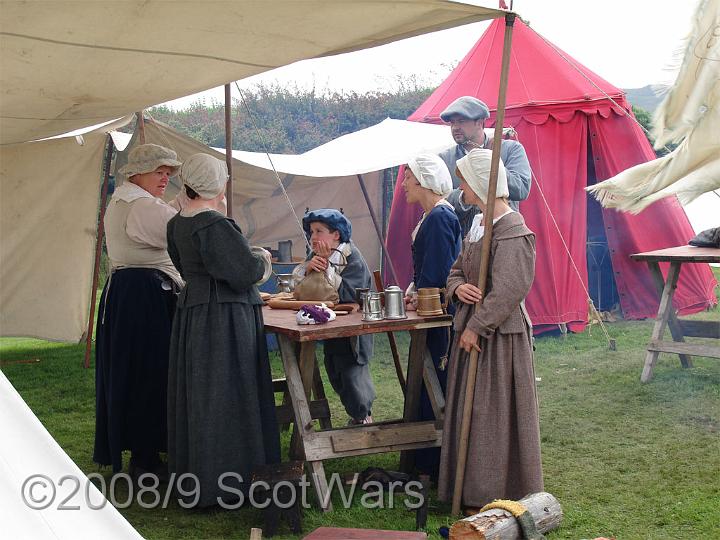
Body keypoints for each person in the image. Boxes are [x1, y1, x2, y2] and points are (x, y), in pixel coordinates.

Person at [166, 153, 279, 508]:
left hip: (194, 313)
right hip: (224, 317)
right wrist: (262, 259)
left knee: (202, 394)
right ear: (216, 183)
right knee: (229, 393)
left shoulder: (178, 223)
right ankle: (227, 484)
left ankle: (200, 479)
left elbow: (185, 265)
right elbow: (243, 272)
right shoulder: (214, 224)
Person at [438, 148, 543, 510]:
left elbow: (511, 288)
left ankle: (493, 492)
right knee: (472, 410)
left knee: (491, 415)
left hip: (498, 338)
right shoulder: (477, 224)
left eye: (465, 182)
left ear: (482, 184)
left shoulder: (514, 230)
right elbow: (455, 271)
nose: (461, 190)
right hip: (474, 330)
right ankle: (467, 491)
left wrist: (477, 326)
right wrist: (457, 288)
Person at [94, 143, 184, 477]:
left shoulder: (124, 200)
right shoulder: (142, 206)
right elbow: (183, 235)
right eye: (158, 171)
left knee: (136, 373)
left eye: (167, 173)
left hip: (131, 293)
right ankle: (146, 456)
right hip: (145, 297)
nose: (164, 178)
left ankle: (144, 452)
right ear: (137, 173)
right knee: (151, 374)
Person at [401, 153, 462, 478]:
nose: (404, 184)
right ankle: (423, 459)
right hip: (430, 305)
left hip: (440, 312)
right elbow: (429, 269)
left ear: (423, 178)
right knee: (426, 380)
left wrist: (417, 296)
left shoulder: (439, 217)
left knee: (435, 379)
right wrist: (414, 292)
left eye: (408, 177)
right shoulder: (432, 217)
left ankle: (436, 464)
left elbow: (439, 270)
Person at [292, 209, 376, 425]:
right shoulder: (316, 256)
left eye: (319, 231)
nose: (313, 237)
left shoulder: (352, 257)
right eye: (311, 232)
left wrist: (328, 268)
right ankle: (356, 414)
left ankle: (363, 415)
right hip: (331, 326)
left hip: (353, 329)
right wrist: (308, 268)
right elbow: (300, 286)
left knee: (352, 372)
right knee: (334, 369)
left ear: (336, 235)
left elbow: (352, 292)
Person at [439, 95, 532, 236]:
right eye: (452, 123)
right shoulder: (445, 158)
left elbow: (521, 189)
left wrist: (490, 163)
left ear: (480, 122)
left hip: (503, 236)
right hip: (465, 243)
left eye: (461, 121)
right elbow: (439, 201)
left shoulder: (511, 149)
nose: (455, 127)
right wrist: (464, 197)